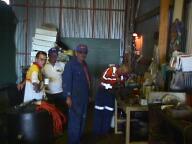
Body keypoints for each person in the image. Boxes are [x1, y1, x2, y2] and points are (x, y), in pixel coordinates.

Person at [62, 44, 91, 144]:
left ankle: (78, 139)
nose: (82, 54)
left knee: (82, 120)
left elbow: (87, 81)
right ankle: (73, 141)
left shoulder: (85, 64)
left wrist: (89, 95)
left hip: (83, 97)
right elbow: (66, 81)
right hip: (74, 98)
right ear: (76, 52)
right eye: (80, 52)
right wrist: (68, 96)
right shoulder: (70, 64)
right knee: (75, 121)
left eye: (85, 52)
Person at [93, 64, 128, 136]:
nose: (122, 74)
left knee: (108, 113)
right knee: (99, 112)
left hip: (111, 94)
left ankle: (104, 132)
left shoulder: (122, 75)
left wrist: (121, 82)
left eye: (124, 73)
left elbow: (122, 81)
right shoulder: (111, 70)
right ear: (120, 68)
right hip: (102, 93)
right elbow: (103, 78)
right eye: (122, 72)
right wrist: (115, 80)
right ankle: (96, 132)